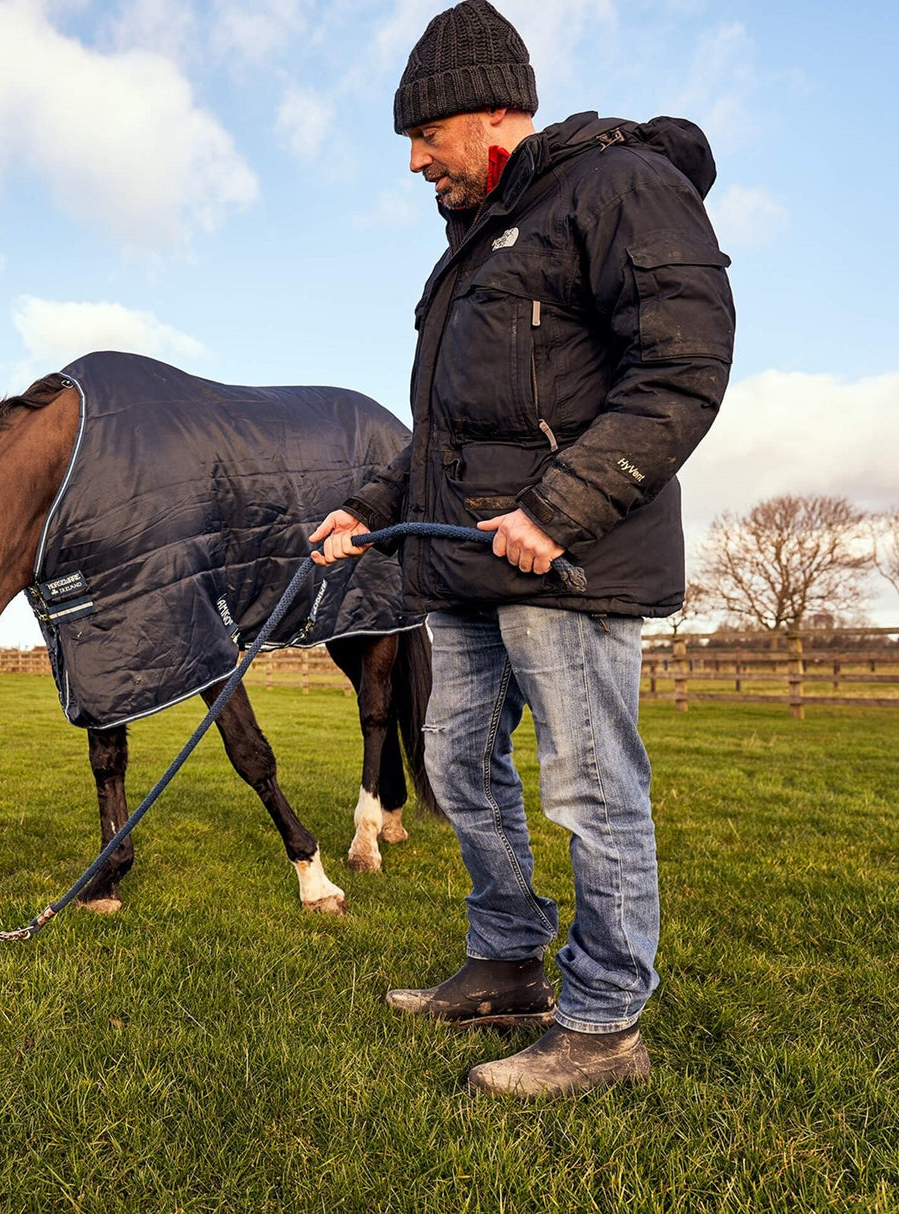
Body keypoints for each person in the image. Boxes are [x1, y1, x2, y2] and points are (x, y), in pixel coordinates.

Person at [310, 0, 734, 1098]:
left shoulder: (614, 187)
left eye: (425, 135)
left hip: (565, 563)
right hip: (461, 566)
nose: (413, 160)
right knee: (452, 763)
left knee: (589, 790)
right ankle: (505, 962)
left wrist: (556, 508)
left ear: (491, 110)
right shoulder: (470, 247)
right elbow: (446, 436)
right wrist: (366, 502)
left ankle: (602, 1025)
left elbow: (681, 367)